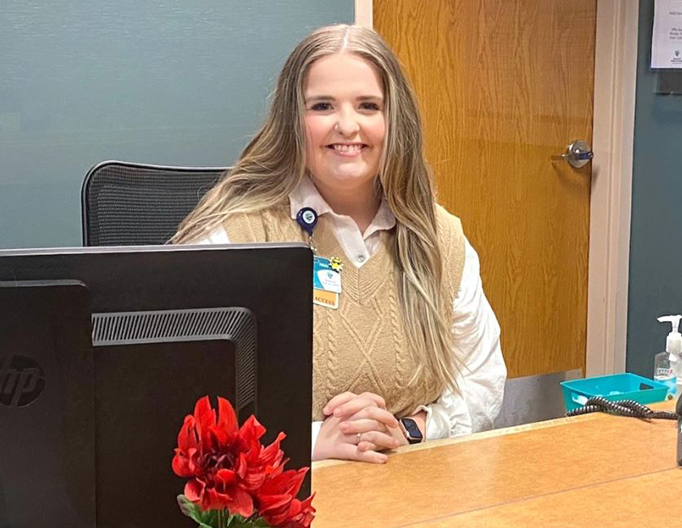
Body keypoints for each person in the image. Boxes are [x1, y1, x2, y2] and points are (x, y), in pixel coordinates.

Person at [174, 24, 505, 464]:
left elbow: (482, 380)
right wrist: (311, 444)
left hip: (411, 492)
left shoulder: (438, 237)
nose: (347, 125)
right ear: (293, 119)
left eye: (368, 106)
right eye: (322, 105)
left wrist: (410, 429)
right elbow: (176, 401)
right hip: (273, 500)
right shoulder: (233, 237)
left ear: (394, 121)